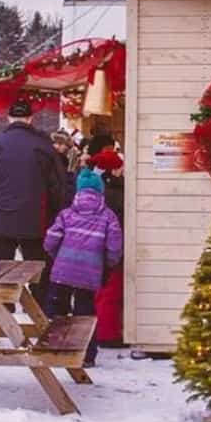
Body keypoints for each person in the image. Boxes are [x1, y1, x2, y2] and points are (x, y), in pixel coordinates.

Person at [44, 168, 123, 367]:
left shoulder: (67, 214)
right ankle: (87, 355)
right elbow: (114, 247)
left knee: (58, 310)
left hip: (63, 270)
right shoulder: (109, 217)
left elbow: (50, 240)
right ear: (100, 191)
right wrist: (108, 264)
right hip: (90, 272)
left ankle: (55, 349)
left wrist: (57, 257)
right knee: (85, 312)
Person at [0, 100, 65, 262]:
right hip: (35, 220)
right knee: (37, 272)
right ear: (30, 119)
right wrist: (51, 216)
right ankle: (36, 288)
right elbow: (57, 187)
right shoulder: (44, 147)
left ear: (8, 118)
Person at [89, 148, 125, 347]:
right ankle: (108, 335)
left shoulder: (89, 190)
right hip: (112, 250)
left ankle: (101, 331)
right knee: (110, 292)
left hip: (92, 249)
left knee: (100, 292)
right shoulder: (117, 194)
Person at [50, 130, 77, 208]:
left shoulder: (70, 160)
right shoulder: (50, 159)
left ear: (67, 146)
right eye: (54, 143)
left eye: (60, 143)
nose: (56, 146)